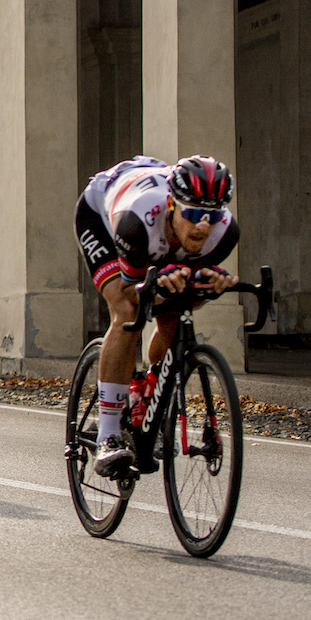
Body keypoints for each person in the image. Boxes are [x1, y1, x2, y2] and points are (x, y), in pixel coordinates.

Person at [77, 154, 239, 478]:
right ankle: (109, 433)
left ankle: (149, 392)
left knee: (177, 310)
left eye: (211, 216)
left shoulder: (225, 232)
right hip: (102, 215)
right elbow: (131, 292)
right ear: (172, 205)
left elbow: (188, 296)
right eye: (193, 214)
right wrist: (160, 284)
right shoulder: (136, 222)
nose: (203, 226)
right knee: (127, 312)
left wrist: (208, 286)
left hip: (156, 229)